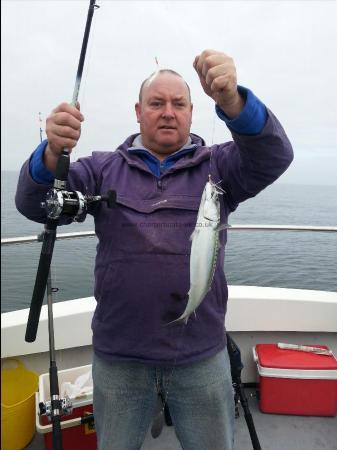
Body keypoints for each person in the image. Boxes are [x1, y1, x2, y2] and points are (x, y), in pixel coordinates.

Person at [16, 49, 293, 450]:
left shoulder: (221, 168)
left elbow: (275, 155)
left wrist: (233, 101)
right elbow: (34, 203)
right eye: (156, 103)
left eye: (178, 104)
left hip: (200, 352)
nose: (168, 112)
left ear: (192, 112)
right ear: (138, 111)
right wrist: (49, 154)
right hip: (119, 355)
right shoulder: (100, 169)